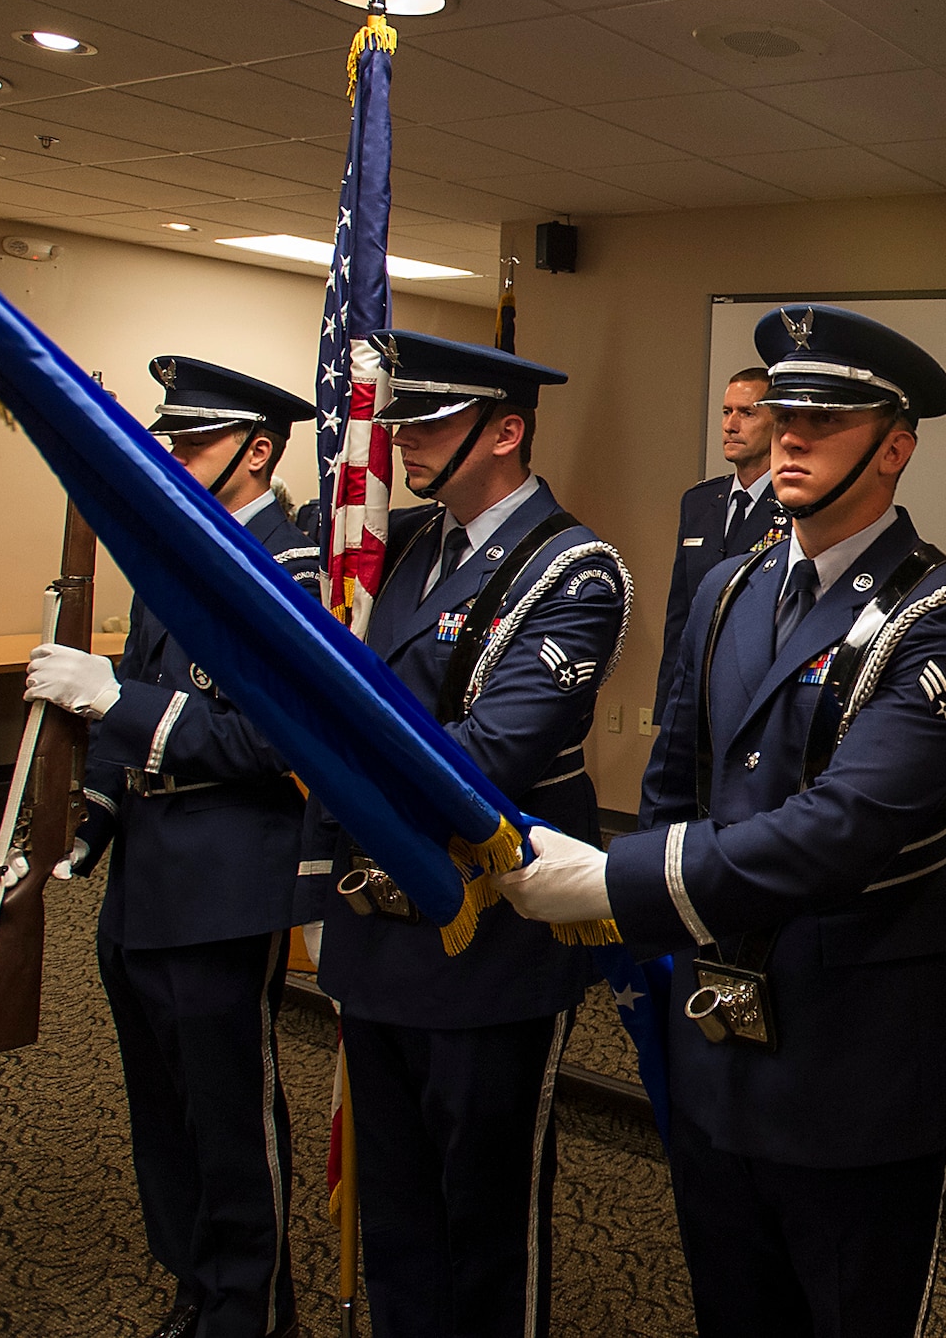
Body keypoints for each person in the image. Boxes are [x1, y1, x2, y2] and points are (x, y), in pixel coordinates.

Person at [497, 305, 946, 1338]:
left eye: (823, 417)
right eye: (783, 412)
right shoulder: (728, 588)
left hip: (853, 1052)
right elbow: (672, 782)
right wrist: (653, 918)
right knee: (733, 1309)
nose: (788, 434)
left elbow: (844, 827)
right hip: (718, 1036)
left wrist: (617, 883)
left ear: (893, 446)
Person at [301, 331, 626, 1338]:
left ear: (506, 431)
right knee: (397, 1203)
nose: (401, 442)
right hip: (378, 927)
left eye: (429, 421)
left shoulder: (574, 571)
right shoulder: (391, 544)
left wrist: (331, 752)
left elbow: (486, 757)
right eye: (397, 421)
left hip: (484, 934)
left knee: (482, 1210)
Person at [26, 357, 321, 1338]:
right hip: (149, 876)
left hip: (225, 875)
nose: (175, 456)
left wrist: (114, 697)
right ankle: (195, 1286)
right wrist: (96, 815)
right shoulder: (179, 547)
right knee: (161, 1112)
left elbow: (269, 738)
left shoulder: (289, 569)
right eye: (173, 439)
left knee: (227, 1116)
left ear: (260, 448)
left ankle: (249, 1309)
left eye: (194, 441)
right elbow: (150, 687)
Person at [653, 366, 789, 721]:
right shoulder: (699, 501)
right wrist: (667, 706)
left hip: (758, 695)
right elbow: (679, 612)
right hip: (695, 691)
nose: (731, 425)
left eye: (747, 413)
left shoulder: (796, 504)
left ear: (777, 422)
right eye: (727, 412)